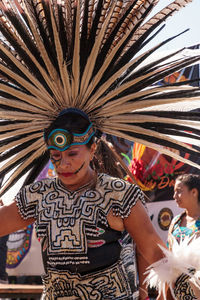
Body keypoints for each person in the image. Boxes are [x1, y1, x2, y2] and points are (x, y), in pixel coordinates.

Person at [0, 1, 200, 300]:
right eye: (56, 157)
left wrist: (187, 289)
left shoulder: (119, 194)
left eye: (72, 155)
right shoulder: (37, 196)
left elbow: (151, 247)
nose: (63, 164)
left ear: (93, 148)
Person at [167, 174, 200, 300]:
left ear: (194, 192)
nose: (174, 196)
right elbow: (169, 256)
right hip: (178, 291)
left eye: (179, 192)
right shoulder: (176, 221)